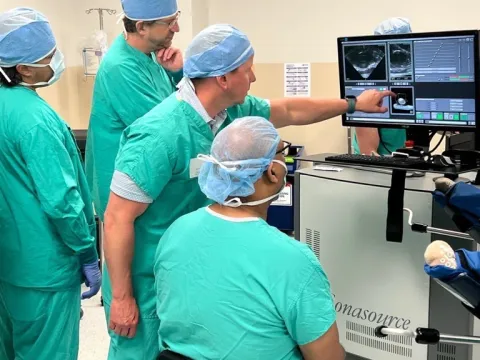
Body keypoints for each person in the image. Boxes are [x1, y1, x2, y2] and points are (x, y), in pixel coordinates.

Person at [102, 23, 393, 359]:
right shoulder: (159, 134)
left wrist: (354, 104)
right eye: (248, 69)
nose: (253, 77)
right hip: (147, 280)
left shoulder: (232, 113)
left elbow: (290, 111)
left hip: (195, 263)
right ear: (223, 78)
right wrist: (123, 297)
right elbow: (115, 218)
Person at [154, 116, 345, 360]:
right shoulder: (293, 260)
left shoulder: (177, 231)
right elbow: (327, 357)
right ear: (273, 172)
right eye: (281, 152)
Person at [0, 7, 101, 360]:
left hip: (9, 266)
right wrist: (87, 251)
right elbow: (61, 200)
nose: (56, 60)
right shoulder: (35, 120)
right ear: (23, 68)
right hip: (45, 271)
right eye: (48, 55)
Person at [85, 0, 183, 223]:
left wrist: (178, 73)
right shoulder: (120, 67)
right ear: (141, 27)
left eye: (177, 19)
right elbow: (168, 129)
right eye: (170, 22)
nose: (176, 28)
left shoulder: (152, 57)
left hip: (150, 180)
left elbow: (174, 105)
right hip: (131, 192)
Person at [353, 17, 411, 155]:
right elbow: (369, 154)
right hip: (378, 166)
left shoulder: (409, 81)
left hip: (402, 160)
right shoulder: (368, 90)